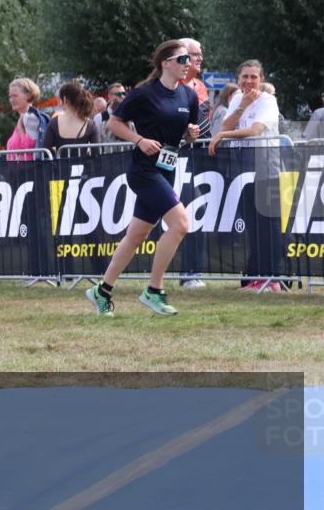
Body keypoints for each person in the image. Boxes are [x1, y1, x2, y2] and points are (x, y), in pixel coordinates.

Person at [85, 40, 200, 317]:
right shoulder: (144, 93)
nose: (188, 64)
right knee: (181, 224)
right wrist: (139, 140)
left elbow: (185, 132)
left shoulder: (189, 96)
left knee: (136, 235)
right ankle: (154, 290)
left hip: (167, 169)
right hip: (144, 171)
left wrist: (190, 135)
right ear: (166, 63)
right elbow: (114, 122)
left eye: (190, 59)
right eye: (182, 59)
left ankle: (101, 291)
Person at [208, 60, 282, 292]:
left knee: (269, 226)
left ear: (261, 79)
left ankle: (272, 279)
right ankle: (255, 276)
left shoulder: (268, 101)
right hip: (245, 171)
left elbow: (254, 131)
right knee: (253, 226)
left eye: (254, 77)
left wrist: (223, 136)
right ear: (239, 78)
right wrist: (242, 106)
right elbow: (225, 126)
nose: (249, 81)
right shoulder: (238, 99)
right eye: (245, 77)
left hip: (267, 169)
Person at [178, 38, 211, 289]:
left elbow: (203, 126)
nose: (199, 58)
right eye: (194, 54)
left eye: (200, 54)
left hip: (195, 158)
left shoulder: (200, 86)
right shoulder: (169, 84)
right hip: (170, 157)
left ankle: (192, 272)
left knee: (195, 210)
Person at [43, 81, 101, 154]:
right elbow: (96, 153)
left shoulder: (54, 122)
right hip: (83, 165)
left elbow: (45, 151)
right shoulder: (90, 124)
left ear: (64, 99)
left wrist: (56, 152)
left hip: (61, 165)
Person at [5, 78, 47, 160]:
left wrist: (20, 126)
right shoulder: (23, 117)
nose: (11, 100)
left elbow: (27, 147)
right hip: (20, 169)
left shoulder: (29, 118)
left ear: (29, 95)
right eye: (10, 96)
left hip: (28, 170)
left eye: (15, 96)